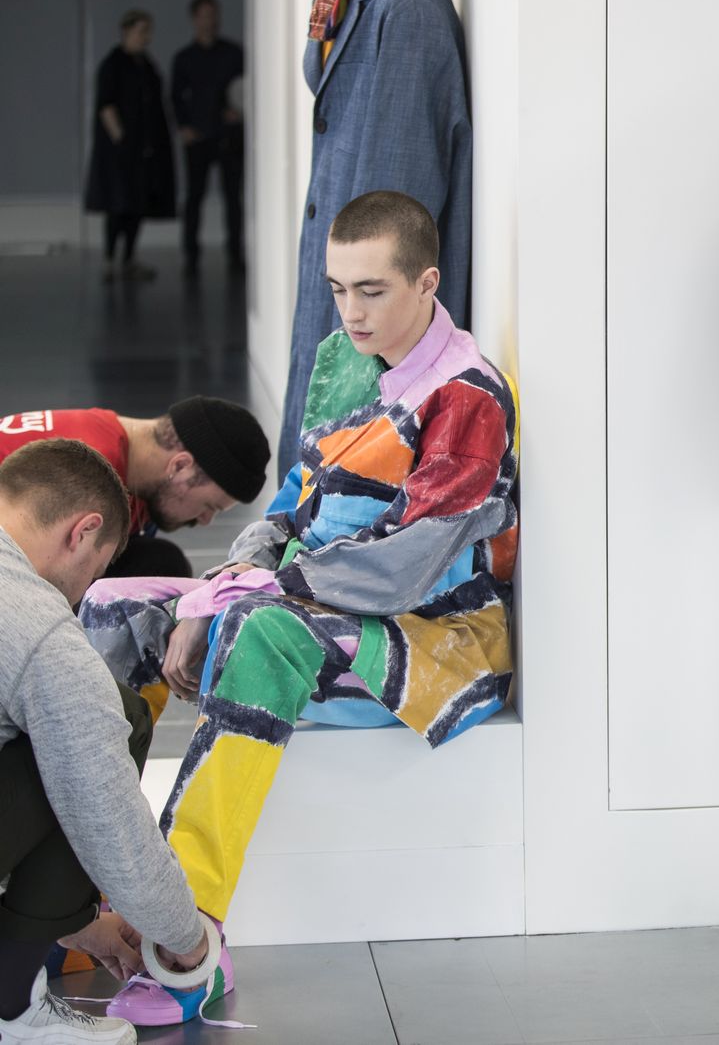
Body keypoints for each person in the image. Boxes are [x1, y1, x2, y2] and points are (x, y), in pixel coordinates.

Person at [77, 191, 517, 1027]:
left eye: (373, 290)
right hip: (314, 605)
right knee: (109, 606)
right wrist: (221, 584)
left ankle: (186, 941)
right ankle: (89, 897)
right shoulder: (341, 359)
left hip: (432, 636)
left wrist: (245, 595)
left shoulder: (469, 395)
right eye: (339, 288)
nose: (351, 311)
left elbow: (406, 565)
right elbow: (289, 506)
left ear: (427, 282)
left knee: (258, 631)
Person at [0, 439, 211, 1045]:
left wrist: (79, 924)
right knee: (113, 721)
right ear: (83, 530)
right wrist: (185, 938)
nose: (78, 595)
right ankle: (8, 1004)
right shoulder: (38, 627)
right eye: (94, 573)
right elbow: (105, 816)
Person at [280, 0, 472, 472]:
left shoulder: (408, 6)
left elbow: (394, 219)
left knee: (341, 481)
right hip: (340, 276)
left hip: (370, 324)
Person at [0, 399, 269, 584]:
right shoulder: (86, 474)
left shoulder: (128, 454)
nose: (205, 520)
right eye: (210, 506)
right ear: (180, 466)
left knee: (157, 563)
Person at [84, 10, 176, 284]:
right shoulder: (113, 65)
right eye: (141, 31)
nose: (146, 37)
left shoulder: (147, 65)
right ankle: (109, 258)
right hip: (121, 150)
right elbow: (106, 105)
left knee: (137, 204)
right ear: (127, 31)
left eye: (148, 31)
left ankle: (128, 258)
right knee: (118, 204)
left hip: (144, 150)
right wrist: (121, 140)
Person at [171, 0, 246, 278]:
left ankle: (235, 254)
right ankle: (190, 255)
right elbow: (176, 97)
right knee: (194, 197)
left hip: (228, 136)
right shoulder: (184, 59)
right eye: (204, 15)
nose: (210, 21)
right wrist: (184, 127)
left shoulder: (233, 54)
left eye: (213, 14)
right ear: (194, 19)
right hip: (198, 137)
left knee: (232, 197)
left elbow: (245, 89)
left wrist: (239, 112)